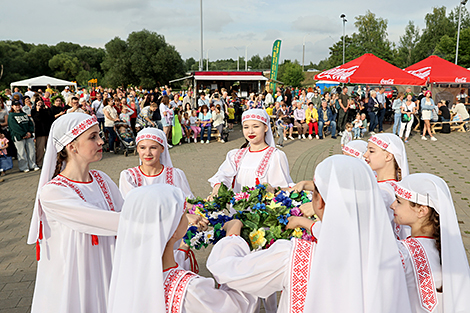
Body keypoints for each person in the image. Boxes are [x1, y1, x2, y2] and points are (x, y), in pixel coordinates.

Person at [207, 155, 412, 313]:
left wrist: (232, 237)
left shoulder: (293, 257)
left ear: (319, 201)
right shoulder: (395, 254)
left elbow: (232, 272)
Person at [107, 184, 257, 313]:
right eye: (183, 215)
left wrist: (183, 247)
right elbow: (237, 306)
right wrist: (232, 240)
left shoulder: (125, 276)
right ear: (172, 230)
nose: (187, 218)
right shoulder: (188, 289)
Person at [27, 113, 123, 313]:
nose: (101, 141)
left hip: (107, 267)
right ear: (72, 146)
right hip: (76, 276)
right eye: (93, 137)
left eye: (99, 135)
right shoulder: (53, 192)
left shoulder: (102, 179)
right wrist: (165, 217)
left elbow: (127, 211)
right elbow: (112, 221)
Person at [390, 174, 470, 313]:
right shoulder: (447, 250)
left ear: (422, 211)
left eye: (399, 201)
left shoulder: (403, 252)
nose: (392, 206)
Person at [209, 109, 293, 195]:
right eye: (246, 127)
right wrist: (217, 187)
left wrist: (271, 189)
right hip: (238, 207)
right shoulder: (236, 155)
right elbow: (223, 175)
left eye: (256, 126)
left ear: (266, 128)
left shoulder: (276, 156)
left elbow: (282, 188)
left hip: (263, 207)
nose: (250, 131)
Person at [119, 128, 193, 199]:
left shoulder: (175, 175)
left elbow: (188, 202)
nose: (148, 153)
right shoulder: (129, 177)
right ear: (137, 149)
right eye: (142, 148)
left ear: (162, 148)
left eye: (153, 148)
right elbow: (129, 205)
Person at [364, 133, 410, 240]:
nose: (365, 155)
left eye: (371, 151)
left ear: (388, 156)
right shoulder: (388, 186)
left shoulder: (384, 191)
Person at [8, 100, 39, 172]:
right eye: (16, 105)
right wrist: (23, 134)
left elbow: (30, 124)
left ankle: (33, 165)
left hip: (28, 135)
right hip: (18, 136)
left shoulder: (24, 114)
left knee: (31, 151)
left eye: (19, 105)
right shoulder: (11, 115)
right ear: (12, 106)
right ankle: (24, 167)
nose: (17, 106)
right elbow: (14, 127)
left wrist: (29, 132)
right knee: (21, 152)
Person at [31, 99, 54, 168]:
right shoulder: (34, 111)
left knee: (49, 148)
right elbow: (37, 119)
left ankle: (50, 162)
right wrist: (38, 110)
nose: (40, 105)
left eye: (41, 103)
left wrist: (47, 108)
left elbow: (51, 117)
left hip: (47, 131)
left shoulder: (46, 110)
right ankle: (39, 162)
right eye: (38, 104)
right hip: (40, 132)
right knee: (40, 149)